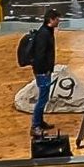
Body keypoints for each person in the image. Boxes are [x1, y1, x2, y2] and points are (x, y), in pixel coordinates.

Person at [30, 8, 60, 137]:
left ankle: (40, 122)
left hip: (45, 71)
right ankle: (35, 126)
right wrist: (45, 70)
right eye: (57, 19)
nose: (59, 21)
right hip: (42, 72)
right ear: (51, 20)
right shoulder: (43, 34)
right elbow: (40, 55)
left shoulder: (48, 31)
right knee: (42, 99)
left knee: (44, 97)